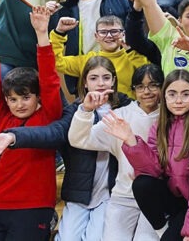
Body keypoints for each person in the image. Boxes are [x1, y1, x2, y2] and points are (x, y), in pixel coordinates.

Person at [0, 56, 130, 241]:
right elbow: (53, 132)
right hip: (79, 194)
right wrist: (14, 136)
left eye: (106, 77)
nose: (100, 83)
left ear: (114, 80)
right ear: (84, 82)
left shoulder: (126, 107)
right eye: (93, 78)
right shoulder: (75, 110)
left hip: (110, 193)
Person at [0, 7, 63, 241]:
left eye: (25, 97)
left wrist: (42, 35)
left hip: (34, 205)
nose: (19, 104)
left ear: (38, 97)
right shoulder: (3, 117)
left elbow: (50, 79)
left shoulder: (48, 115)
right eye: (12, 99)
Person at [105, 69, 189, 241]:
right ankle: (163, 230)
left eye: (185, 94)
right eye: (172, 94)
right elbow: (153, 170)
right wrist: (131, 140)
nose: (178, 100)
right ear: (164, 97)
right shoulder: (161, 125)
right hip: (173, 198)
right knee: (142, 184)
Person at [68, 64, 163, 241]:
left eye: (153, 85)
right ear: (133, 90)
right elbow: (80, 139)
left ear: (162, 87)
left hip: (156, 197)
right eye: (140, 86)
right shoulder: (120, 116)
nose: (147, 92)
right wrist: (85, 110)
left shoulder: (169, 116)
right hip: (124, 196)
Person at [50, 0, 131, 95]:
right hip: (86, 64)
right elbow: (56, 49)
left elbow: (132, 26)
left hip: (119, 62)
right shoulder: (66, 9)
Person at [51, 14, 150, 99]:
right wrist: (59, 33)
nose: (109, 36)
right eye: (103, 32)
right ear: (96, 36)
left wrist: (130, 51)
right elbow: (56, 62)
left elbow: (149, 74)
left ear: (123, 34)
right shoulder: (88, 60)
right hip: (96, 110)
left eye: (114, 31)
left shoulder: (133, 56)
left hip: (129, 109)